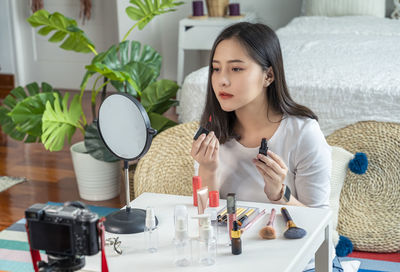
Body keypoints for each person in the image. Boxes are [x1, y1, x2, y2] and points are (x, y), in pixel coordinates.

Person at [190, 22, 342, 272]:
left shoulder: (303, 133)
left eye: (236, 68)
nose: (222, 81)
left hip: (305, 263)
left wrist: (279, 194)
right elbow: (205, 219)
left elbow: (320, 224)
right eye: (216, 69)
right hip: (238, 260)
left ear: (268, 76)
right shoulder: (212, 131)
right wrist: (207, 169)